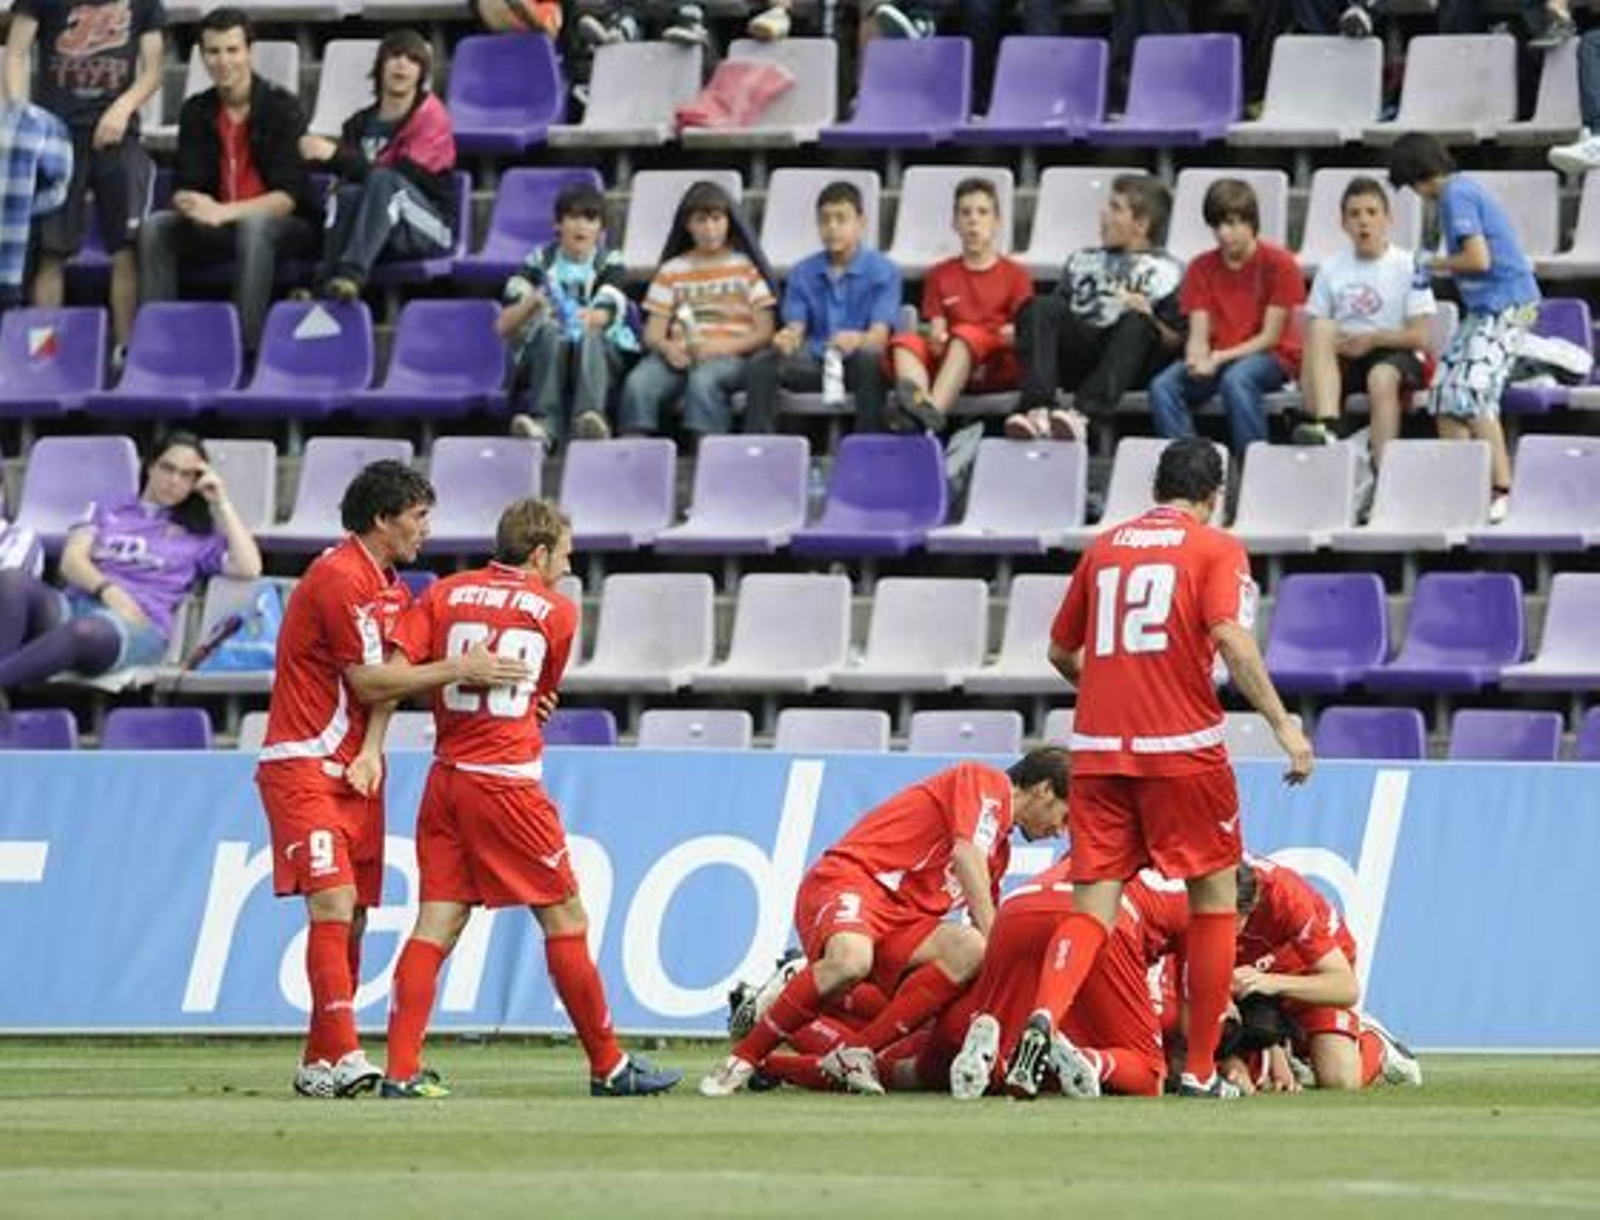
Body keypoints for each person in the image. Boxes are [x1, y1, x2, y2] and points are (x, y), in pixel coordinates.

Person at [1003, 438, 1314, 1102]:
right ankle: (1201, 1069)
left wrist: (1117, 682)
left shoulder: (1104, 548)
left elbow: (1061, 650)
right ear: (1214, 495)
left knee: (1092, 908)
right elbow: (1230, 635)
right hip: (1184, 751)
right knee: (1213, 903)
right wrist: (1284, 724)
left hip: (1100, 751)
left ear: (1155, 488)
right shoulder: (1217, 548)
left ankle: (1043, 1016)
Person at [377, 498, 682, 1098]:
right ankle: (610, 1066)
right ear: (539, 553)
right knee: (565, 916)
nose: (569, 568)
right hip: (506, 784)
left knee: (436, 920)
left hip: (446, 778)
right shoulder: (556, 612)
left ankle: (401, 1072)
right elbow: (538, 691)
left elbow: (398, 671)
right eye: (565, 555)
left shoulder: (443, 593)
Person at [254, 460, 532, 1099]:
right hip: (302, 764)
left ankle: (318, 1063)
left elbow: (386, 686)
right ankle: (349, 1054)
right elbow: (370, 681)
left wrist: (374, 748)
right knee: (329, 903)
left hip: (354, 771)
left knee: (350, 918)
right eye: (418, 516)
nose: (425, 530)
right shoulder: (337, 578)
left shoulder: (388, 587)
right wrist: (460, 666)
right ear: (383, 519)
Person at [699, 748, 1071, 1097]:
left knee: (969, 949)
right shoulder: (983, 782)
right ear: (1043, 790)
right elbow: (966, 854)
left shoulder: (999, 854)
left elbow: (984, 916)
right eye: (1064, 817)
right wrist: (997, 940)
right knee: (851, 960)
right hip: (855, 880)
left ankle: (856, 1053)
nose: (1059, 832)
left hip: (903, 920)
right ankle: (743, 1059)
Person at [0, 432, 259, 695]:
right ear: (150, 466)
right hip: (77, 605)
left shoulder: (198, 536)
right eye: (167, 468)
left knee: (83, 631)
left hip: (136, 625)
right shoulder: (109, 506)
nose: (174, 480)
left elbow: (250, 567)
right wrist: (108, 590)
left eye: (187, 475)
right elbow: (71, 560)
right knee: (11, 580)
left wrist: (222, 502)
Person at [138, 8, 319, 353]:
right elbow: (185, 184)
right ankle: (157, 343)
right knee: (156, 228)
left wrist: (224, 212)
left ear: (249, 51)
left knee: (254, 227)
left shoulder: (282, 107)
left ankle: (242, 346)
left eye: (232, 50)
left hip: (284, 228)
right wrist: (190, 203)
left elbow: (286, 198)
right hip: (219, 224)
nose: (223, 61)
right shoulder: (196, 110)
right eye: (213, 52)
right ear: (203, 57)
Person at [944, 860, 1191, 1100]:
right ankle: (1092, 1062)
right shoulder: (1195, 894)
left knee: (1023, 1050)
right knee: (1148, 1072)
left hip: (1015, 911)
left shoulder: (1107, 845)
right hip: (1102, 916)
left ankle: (992, 1065)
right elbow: (1191, 1022)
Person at [1388, 134, 1540, 523]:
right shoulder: (1452, 196)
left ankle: (1502, 487)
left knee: (1471, 390)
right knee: (1442, 394)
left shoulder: (1457, 194)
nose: (1416, 194)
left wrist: (1431, 265)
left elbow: (1478, 259)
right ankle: (1461, 487)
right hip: (1483, 311)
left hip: (1509, 305)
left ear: (1419, 176)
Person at [3, 0, 164, 351]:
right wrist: (22, 114)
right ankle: (43, 356)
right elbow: (14, 54)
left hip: (118, 135)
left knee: (125, 249)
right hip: (58, 134)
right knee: (51, 251)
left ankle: (127, 353)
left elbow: (153, 70)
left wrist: (122, 108)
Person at [1006, 173, 1184, 444]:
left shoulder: (1168, 271)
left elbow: (1176, 343)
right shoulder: (1082, 260)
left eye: (1115, 208)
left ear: (1141, 223)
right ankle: (1038, 409)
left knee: (1137, 321)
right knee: (1040, 306)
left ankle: (1082, 417)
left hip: (1128, 364)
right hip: (1082, 353)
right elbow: (1056, 316)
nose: (1103, 215)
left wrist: (1149, 317)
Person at [1231, 855, 1422, 1090]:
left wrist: (1272, 982)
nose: (1223, 931)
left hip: (1307, 971)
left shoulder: (1286, 895)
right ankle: (1293, 1049)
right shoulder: (1190, 884)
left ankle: (1377, 1044)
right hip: (1248, 981)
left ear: (1254, 900)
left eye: (1232, 920)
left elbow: (1345, 987)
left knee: (1339, 1080)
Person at [1291, 176, 1437, 476]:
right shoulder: (1331, 267)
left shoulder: (1409, 265)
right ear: (1343, 223)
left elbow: (1420, 337)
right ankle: (1329, 425)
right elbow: (1316, 329)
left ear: (1389, 219)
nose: (1364, 222)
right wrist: (1345, 343)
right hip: (1347, 354)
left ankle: (1383, 472)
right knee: (1318, 330)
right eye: (1354, 214)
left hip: (1393, 352)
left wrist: (1372, 340)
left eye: (1372, 212)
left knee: (1381, 377)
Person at [1149, 178, 1305, 456]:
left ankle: (1253, 471)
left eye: (1232, 223)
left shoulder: (1280, 263)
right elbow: (1198, 334)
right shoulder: (1200, 267)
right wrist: (1197, 358)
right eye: (1217, 225)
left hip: (1272, 356)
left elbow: (1270, 338)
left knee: (1237, 379)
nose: (1223, 233)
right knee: (1163, 386)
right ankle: (1194, 468)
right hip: (1220, 355)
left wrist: (1219, 357)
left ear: (1251, 222)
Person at [299, 29, 455, 302]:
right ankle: (325, 288)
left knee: (383, 181)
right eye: (394, 56)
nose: (402, 64)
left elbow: (400, 176)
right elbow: (349, 179)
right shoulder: (358, 124)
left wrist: (334, 155)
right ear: (380, 66)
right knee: (346, 195)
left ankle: (351, 276)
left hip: (429, 228)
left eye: (412, 59)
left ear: (422, 74)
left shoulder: (432, 119)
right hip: (374, 230)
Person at [619, 180, 777, 445]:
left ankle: (707, 453)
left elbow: (765, 331)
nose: (710, 228)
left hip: (731, 358)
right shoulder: (672, 270)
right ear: (688, 225)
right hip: (679, 357)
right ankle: (635, 452)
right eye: (701, 220)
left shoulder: (745, 268)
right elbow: (653, 333)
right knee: (639, 382)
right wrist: (669, 349)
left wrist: (721, 347)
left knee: (704, 381)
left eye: (717, 219)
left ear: (729, 222)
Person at [743, 179, 901, 434]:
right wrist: (788, 338)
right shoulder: (802, 271)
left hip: (856, 364)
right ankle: (759, 446)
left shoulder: (884, 271)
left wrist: (858, 339)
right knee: (763, 363)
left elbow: (879, 336)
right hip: (815, 361)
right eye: (825, 220)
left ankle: (868, 444)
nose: (832, 227)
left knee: (871, 360)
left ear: (861, 223)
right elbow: (796, 326)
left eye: (841, 219)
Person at [887, 177, 1033, 435]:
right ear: (954, 223)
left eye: (982, 212)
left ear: (997, 222)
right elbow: (938, 327)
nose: (973, 220)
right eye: (965, 213)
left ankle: (929, 418)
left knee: (967, 335)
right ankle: (919, 404)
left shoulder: (1016, 275)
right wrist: (936, 339)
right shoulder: (939, 274)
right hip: (950, 365)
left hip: (995, 364)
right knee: (904, 342)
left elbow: (1018, 334)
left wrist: (977, 339)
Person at [501, 181, 636, 447]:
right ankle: (544, 427)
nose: (581, 225)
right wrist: (533, 302)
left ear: (601, 230)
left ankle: (588, 420)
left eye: (590, 218)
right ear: (558, 225)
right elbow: (503, 326)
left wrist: (577, 317)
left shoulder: (610, 262)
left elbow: (604, 314)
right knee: (551, 331)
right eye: (573, 217)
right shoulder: (537, 262)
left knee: (587, 332)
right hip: (545, 352)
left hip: (602, 354)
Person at [0, 98, 73, 309]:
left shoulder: (41, 123)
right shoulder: (42, 123)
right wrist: (19, 213)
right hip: (10, 266)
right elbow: (57, 191)